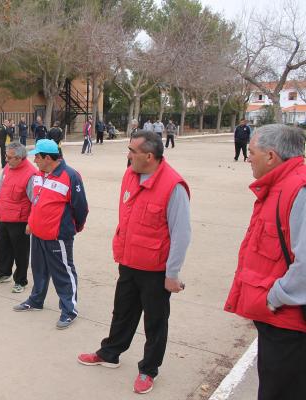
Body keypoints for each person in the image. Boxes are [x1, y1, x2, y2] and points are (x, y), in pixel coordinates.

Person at [78, 130, 191, 395]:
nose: (127, 155)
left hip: (155, 269)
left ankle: (148, 369)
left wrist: (171, 273)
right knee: (122, 312)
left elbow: (181, 234)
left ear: (149, 156)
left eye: (132, 151)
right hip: (129, 261)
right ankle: (110, 353)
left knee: (155, 321)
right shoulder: (131, 174)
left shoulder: (173, 186)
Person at [224, 125, 306, 400]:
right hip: (278, 320)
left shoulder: (299, 189)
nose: (248, 159)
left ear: (271, 156)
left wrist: (276, 297)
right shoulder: (280, 185)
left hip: (290, 324)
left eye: (252, 152)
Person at [13, 139, 89, 330]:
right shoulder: (39, 175)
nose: (34, 161)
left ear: (48, 158)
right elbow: (36, 202)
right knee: (38, 269)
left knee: (63, 272)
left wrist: (72, 228)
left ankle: (69, 310)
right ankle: (36, 300)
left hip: (58, 236)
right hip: (38, 233)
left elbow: (81, 208)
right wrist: (31, 222)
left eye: (37, 157)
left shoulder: (70, 176)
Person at [0, 142, 37, 293]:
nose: (6, 159)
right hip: (4, 215)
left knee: (20, 252)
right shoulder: (8, 167)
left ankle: (21, 280)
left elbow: (34, 200)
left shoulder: (31, 174)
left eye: (9, 157)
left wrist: (31, 222)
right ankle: (3, 273)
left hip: (20, 219)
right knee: (2, 247)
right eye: (6, 156)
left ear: (19, 158)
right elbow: (0, 184)